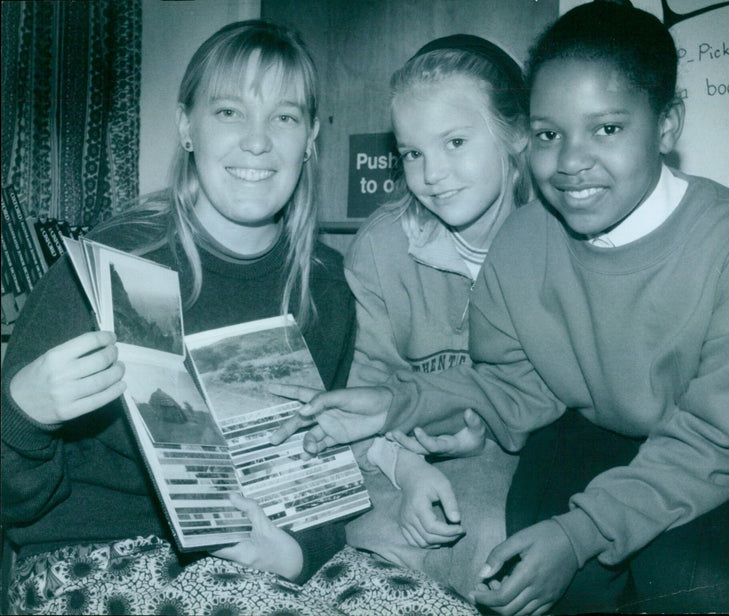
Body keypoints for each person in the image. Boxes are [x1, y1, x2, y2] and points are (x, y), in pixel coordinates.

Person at [269, 2, 729, 614]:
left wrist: (578, 533)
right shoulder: (525, 240)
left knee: (689, 578)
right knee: (531, 565)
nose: (571, 162)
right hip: (606, 434)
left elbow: (724, 439)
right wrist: (397, 403)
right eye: (551, 134)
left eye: (606, 129)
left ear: (668, 123)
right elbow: (517, 384)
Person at [1, 20, 477, 616]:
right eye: (229, 111)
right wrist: (20, 416)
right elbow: (12, 504)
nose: (258, 141)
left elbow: (317, 483)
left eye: (284, 117)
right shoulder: (114, 265)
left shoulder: (324, 286)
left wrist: (288, 554)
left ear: (309, 138)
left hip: (265, 557)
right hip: (91, 560)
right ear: (186, 127)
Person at [339, 35, 531, 598]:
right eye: (413, 152)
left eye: (454, 142)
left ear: (514, 134)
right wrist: (408, 468)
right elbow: (359, 394)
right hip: (398, 462)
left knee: (497, 541)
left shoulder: (558, 237)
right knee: (364, 554)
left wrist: (492, 430)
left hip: (521, 460)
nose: (432, 173)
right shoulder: (380, 248)